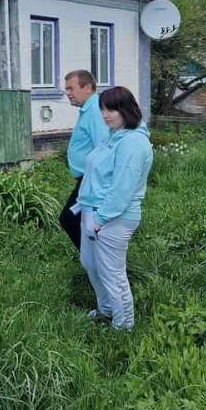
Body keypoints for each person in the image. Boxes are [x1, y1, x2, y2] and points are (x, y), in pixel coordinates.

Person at [77, 86, 153, 331]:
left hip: (112, 217)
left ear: (126, 109)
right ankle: (106, 309)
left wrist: (100, 218)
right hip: (94, 212)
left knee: (112, 274)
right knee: (91, 263)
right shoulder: (114, 135)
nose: (105, 115)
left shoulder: (133, 142)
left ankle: (123, 326)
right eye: (102, 109)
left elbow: (123, 188)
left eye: (111, 109)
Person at [60, 70, 110, 251]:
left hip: (91, 179)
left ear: (87, 87)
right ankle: (94, 263)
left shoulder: (95, 110)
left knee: (68, 219)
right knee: (79, 221)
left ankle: (99, 261)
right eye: (66, 89)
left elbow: (103, 147)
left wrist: (97, 183)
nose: (68, 93)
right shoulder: (88, 109)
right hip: (87, 178)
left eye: (71, 88)